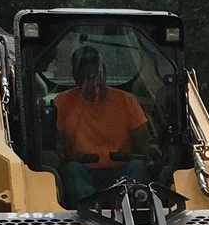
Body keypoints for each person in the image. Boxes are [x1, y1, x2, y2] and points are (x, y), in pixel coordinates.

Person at [53, 44, 151, 202]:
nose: (94, 81)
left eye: (97, 74)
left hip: (121, 170)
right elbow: (55, 145)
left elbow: (144, 142)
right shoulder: (61, 103)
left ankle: (135, 208)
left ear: (105, 73)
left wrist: (150, 155)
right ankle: (88, 212)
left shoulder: (126, 101)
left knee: (138, 166)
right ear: (75, 77)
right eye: (86, 76)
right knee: (71, 170)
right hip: (83, 171)